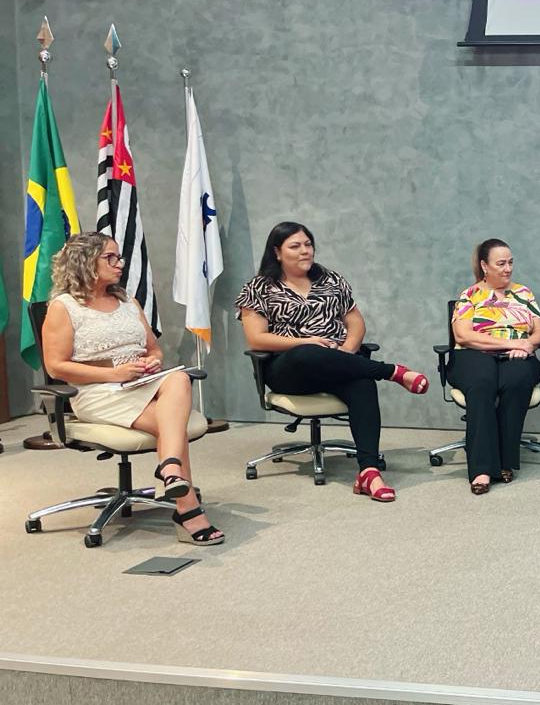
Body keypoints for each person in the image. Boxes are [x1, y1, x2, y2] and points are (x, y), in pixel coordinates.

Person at [41, 234, 223, 545]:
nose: (120, 263)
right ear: (85, 262)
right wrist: (113, 373)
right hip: (98, 392)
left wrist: (152, 362)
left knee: (179, 378)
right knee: (172, 425)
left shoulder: (128, 301)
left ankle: (170, 469)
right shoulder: (64, 307)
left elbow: (154, 349)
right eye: (110, 258)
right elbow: (56, 367)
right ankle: (187, 508)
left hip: (141, 383)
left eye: (119, 257)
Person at [235, 221, 429, 503]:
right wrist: (306, 341)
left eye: (308, 244)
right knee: (307, 352)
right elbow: (256, 339)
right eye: (295, 246)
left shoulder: (330, 280)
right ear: (277, 252)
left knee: (363, 383)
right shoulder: (259, 287)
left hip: (336, 364)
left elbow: (356, 323)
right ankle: (391, 371)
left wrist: (347, 352)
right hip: (288, 369)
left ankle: (369, 472)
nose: (305, 251)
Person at [448, 238, 540, 496]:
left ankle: (505, 461)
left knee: (516, 381)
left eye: (510, 262)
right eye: (501, 263)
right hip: (473, 354)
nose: (508, 268)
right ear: (484, 266)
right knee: (482, 383)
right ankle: (481, 469)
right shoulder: (470, 295)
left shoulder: (524, 293)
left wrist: (528, 345)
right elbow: (463, 335)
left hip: (517, 353)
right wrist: (509, 343)